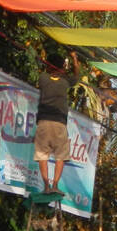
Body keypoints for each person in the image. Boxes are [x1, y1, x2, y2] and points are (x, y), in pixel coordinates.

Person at [35, 51, 81, 193]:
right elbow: (77, 76)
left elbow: (44, 69)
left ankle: (46, 187)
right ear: (61, 68)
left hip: (43, 122)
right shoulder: (65, 82)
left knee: (42, 155)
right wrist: (74, 58)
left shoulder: (43, 78)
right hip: (60, 123)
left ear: (48, 66)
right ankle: (55, 186)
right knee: (60, 155)